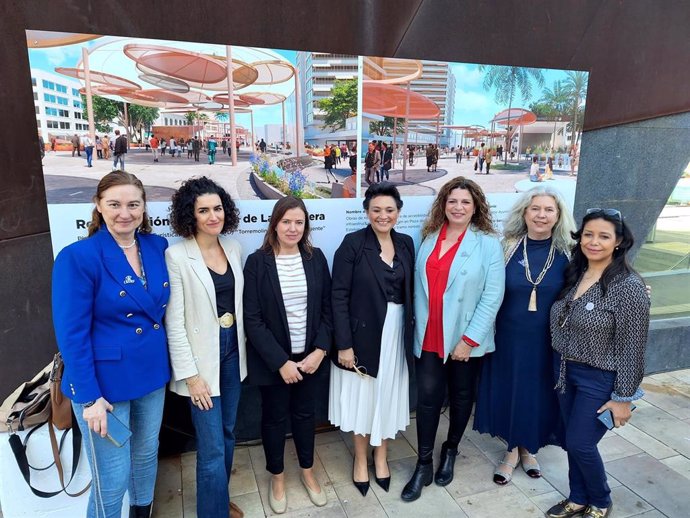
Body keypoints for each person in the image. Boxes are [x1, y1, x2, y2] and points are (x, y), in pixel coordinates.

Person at [51, 171, 170, 518]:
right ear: (98, 207)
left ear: (145, 207)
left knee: (147, 456)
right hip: (103, 386)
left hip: (151, 374)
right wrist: (89, 398)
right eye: (114, 204)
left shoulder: (156, 246)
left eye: (133, 204)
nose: (125, 213)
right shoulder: (78, 257)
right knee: (112, 477)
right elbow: (71, 334)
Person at [402, 176, 505, 502]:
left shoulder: (487, 242)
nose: (458, 207)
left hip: (464, 339)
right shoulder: (429, 237)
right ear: (443, 205)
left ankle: (450, 450)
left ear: (476, 207)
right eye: (452, 201)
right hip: (429, 334)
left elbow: (493, 294)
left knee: (461, 397)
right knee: (428, 399)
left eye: (465, 202)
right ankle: (423, 464)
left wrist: (469, 340)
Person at [546, 209, 650, 518]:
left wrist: (623, 399)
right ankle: (577, 497)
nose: (594, 242)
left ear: (618, 242)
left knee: (581, 443)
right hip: (564, 370)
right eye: (588, 234)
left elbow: (633, 348)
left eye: (604, 236)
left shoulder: (628, 286)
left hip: (599, 377)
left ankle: (601, 500)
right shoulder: (575, 273)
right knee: (570, 440)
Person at [473, 186, 575, 484]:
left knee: (537, 394)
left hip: (547, 341)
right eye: (535, 209)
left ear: (558, 216)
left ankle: (528, 448)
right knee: (510, 390)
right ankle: (512, 451)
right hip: (507, 338)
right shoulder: (505, 246)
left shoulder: (568, 252)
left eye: (548, 210)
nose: (541, 215)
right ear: (524, 213)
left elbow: (591, 283)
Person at [244, 196, 332, 514]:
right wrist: (280, 362)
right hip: (274, 362)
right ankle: (277, 476)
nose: (292, 228)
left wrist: (319, 351)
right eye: (286, 221)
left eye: (299, 222)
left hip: (310, 359)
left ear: (306, 225)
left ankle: (308, 471)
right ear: (275, 224)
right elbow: (252, 319)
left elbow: (328, 309)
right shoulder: (258, 262)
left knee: (306, 416)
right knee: (274, 418)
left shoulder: (316, 258)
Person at [165, 177, 246, 518]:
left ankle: (217, 497)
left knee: (227, 434)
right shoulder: (177, 255)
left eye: (217, 208)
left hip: (232, 353)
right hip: (200, 363)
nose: (213, 216)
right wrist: (191, 377)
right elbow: (175, 322)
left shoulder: (234, 248)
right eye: (203, 210)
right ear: (190, 215)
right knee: (211, 447)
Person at [330, 183, 415, 497]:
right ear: (366, 212)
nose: (383, 215)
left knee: (388, 395)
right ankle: (361, 460)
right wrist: (344, 343)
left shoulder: (406, 244)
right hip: (362, 335)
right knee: (363, 398)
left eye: (389, 210)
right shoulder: (352, 244)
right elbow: (338, 295)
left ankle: (382, 455)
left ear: (398, 212)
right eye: (376, 210)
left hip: (396, 333)